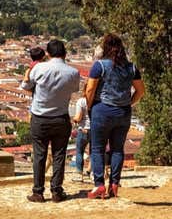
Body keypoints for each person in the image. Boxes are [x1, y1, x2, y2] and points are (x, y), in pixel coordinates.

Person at [85, 33, 144, 199]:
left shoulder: (99, 66)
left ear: (105, 48)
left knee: (97, 148)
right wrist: (129, 103)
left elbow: (90, 90)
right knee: (118, 149)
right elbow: (140, 91)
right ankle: (114, 183)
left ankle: (99, 185)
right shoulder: (132, 68)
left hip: (102, 110)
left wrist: (90, 107)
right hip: (123, 112)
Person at [21, 39, 80, 203]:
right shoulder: (73, 72)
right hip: (61, 118)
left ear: (47, 53)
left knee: (39, 155)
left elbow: (26, 86)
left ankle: (38, 192)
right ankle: (56, 191)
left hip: (40, 118)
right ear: (65, 54)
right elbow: (74, 89)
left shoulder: (39, 68)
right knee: (59, 155)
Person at [72, 92, 91, 182]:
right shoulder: (98, 100)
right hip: (95, 130)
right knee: (94, 152)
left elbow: (78, 117)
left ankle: (79, 175)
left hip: (83, 130)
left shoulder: (81, 101)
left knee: (79, 152)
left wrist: (74, 120)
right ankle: (93, 174)